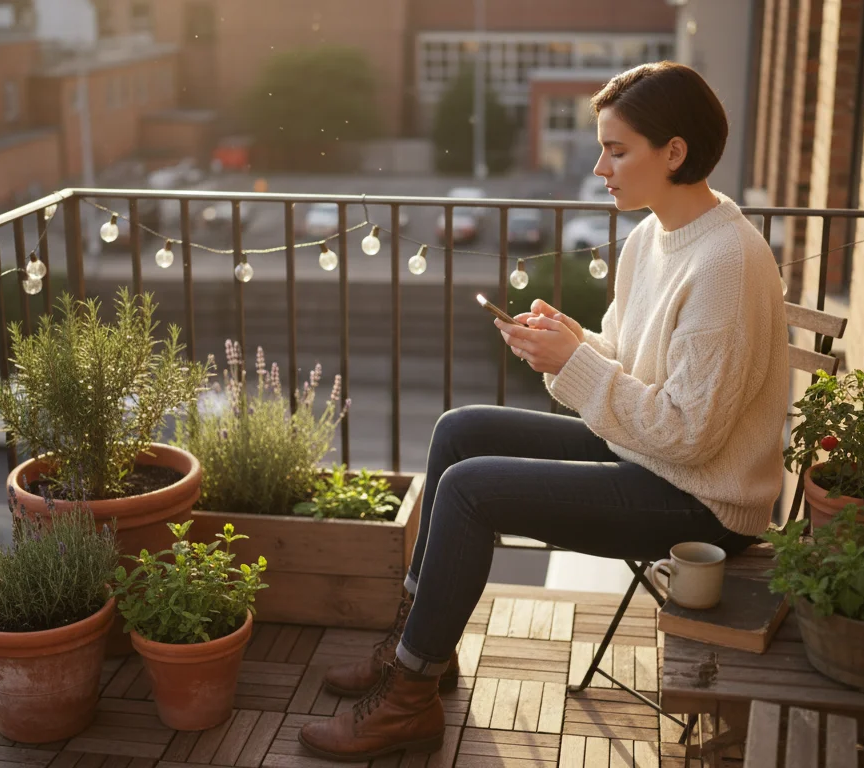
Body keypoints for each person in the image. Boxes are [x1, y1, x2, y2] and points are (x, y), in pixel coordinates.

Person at [299, 61, 791, 762]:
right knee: (458, 431)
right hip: (647, 457)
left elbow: (690, 432)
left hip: (703, 500)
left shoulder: (725, 264)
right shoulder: (654, 237)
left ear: (674, 151)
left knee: (473, 492)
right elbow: (623, 358)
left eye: (617, 150)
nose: (599, 167)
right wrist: (569, 342)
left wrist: (575, 362)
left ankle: (406, 700)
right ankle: (416, 649)